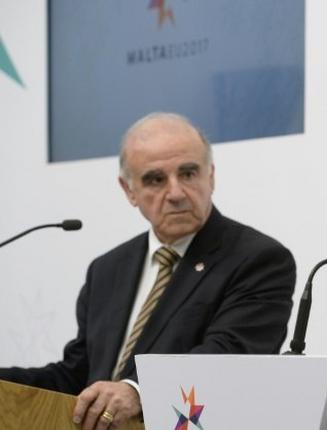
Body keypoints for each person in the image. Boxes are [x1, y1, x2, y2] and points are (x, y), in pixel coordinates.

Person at [0, 112, 296, 430]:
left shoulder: (257, 259)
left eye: (188, 173)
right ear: (129, 190)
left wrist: (138, 391)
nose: (176, 193)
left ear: (211, 175)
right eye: (155, 179)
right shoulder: (107, 269)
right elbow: (77, 376)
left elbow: (228, 358)